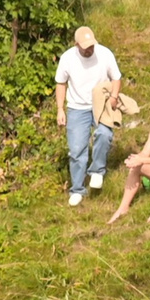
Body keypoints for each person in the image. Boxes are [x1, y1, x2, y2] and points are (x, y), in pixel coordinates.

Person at [53, 25, 123, 207]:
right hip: (77, 107)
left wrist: (114, 96)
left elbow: (116, 77)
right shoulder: (68, 58)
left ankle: (97, 170)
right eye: (85, 47)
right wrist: (60, 109)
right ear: (77, 45)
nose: (89, 49)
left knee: (104, 134)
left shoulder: (105, 54)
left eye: (91, 45)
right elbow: (61, 83)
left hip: (101, 103)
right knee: (77, 150)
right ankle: (77, 189)